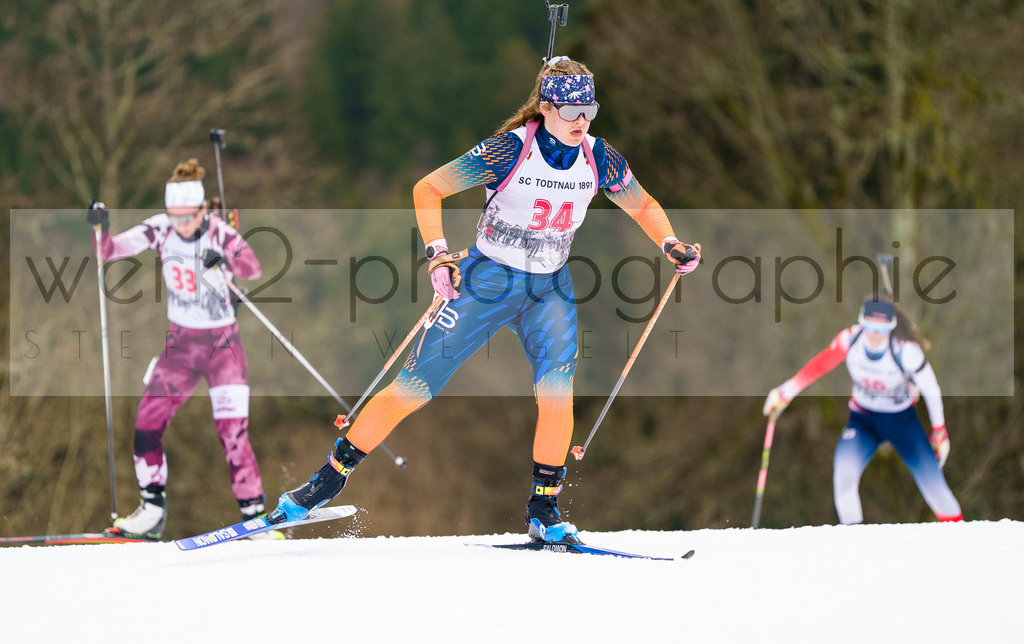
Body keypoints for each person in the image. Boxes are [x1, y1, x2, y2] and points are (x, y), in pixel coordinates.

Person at [268, 56, 701, 543]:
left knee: (558, 395)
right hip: (487, 281)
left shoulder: (598, 157)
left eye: (589, 109)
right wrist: (437, 256)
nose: (581, 121)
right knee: (413, 389)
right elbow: (428, 187)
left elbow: (641, 203)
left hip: (549, 289)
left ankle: (545, 510)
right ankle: (322, 485)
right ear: (544, 107)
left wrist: (669, 243)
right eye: (570, 110)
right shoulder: (508, 150)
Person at [86, 159, 280, 539]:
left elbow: (253, 267)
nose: (180, 225)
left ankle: (257, 518)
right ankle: (152, 510)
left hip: (223, 348)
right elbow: (109, 252)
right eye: (174, 217)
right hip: (182, 346)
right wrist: (102, 227)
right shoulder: (160, 229)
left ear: (203, 210)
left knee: (232, 434)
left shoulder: (219, 232)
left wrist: (225, 260)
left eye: (187, 218)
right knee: (146, 424)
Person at [762, 295, 963, 524]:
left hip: (902, 423)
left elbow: (932, 389)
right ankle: (856, 545)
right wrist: (785, 393)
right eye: (870, 326)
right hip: (863, 421)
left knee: (936, 489)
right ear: (861, 322)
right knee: (844, 473)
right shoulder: (851, 339)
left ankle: (962, 540)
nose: (875, 335)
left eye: (882, 328)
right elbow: (821, 365)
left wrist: (939, 432)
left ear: (892, 326)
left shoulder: (905, 351)